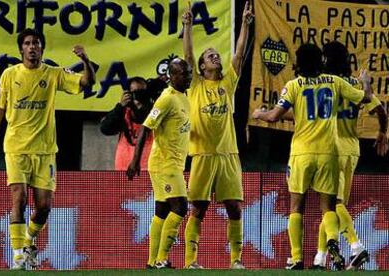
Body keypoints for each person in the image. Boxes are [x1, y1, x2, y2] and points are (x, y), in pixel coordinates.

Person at [0, 28, 95, 270]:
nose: (32, 47)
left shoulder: (52, 74)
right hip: (16, 148)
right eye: (28, 43)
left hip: (45, 150)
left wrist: (85, 61)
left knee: (44, 207)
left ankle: (29, 239)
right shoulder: (9, 75)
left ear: (42, 48)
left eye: (36, 43)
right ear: (21, 49)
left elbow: (86, 82)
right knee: (18, 199)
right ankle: (19, 256)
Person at [252, 43, 373, 270]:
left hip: (302, 152)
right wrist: (366, 83)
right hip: (329, 153)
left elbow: (274, 117)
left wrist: (259, 113)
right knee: (328, 206)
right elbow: (365, 99)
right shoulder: (335, 82)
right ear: (321, 62)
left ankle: (297, 259)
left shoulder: (294, 85)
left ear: (298, 63)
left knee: (296, 206)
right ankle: (332, 243)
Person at [181, 1, 253, 269]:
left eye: (216, 54)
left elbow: (239, 55)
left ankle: (236, 260)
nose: (215, 56)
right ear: (201, 66)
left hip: (228, 155)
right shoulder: (196, 84)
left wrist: (245, 24)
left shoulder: (227, 84)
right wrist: (187, 27)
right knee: (198, 209)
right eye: (209, 55)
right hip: (202, 155)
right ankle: (191, 262)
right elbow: (187, 57)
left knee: (234, 207)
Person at [311, 41, 388, 270]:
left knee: (332, 203)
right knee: (332, 206)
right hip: (352, 149)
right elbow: (381, 111)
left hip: (330, 149)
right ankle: (319, 257)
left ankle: (357, 248)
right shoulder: (357, 84)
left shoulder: (323, 84)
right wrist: (383, 133)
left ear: (326, 59)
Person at [130, 58, 192, 269]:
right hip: (165, 163)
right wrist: (135, 160)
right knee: (181, 206)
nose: (189, 76)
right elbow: (145, 128)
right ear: (172, 76)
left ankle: (151, 261)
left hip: (172, 163)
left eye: (189, 72)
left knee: (162, 211)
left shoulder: (184, 96)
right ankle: (161, 259)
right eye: (184, 73)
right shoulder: (166, 99)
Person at [100, 77, 154, 172]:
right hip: (124, 168)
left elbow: (142, 119)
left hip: (150, 169)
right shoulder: (124, 111)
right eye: (134, 93)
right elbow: (105, 129)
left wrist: (145, 105)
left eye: (142, 93)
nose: (138, 96)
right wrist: (120, 107)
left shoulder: (155, 111)